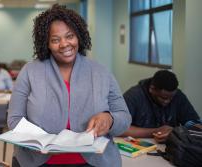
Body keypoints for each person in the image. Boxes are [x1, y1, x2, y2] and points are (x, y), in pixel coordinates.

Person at [7, 4, 131, 167]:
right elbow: (14, 119)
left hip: (94, 162)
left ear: (78, 36)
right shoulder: (30, 71)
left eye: (69, 36)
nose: (64, 44)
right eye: (55, 40)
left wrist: (109, 119)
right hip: (38, 162)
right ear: (47, 43)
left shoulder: (100, 72)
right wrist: (38, 142)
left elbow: (124, 116)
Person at [122, 70, 200, 143]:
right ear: (152, 89)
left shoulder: (178, 96)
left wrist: (176, 132)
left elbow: (194, 124)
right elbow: (120, 128)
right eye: (163, 98)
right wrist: (155, 131)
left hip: (171, 148)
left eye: (171, 97)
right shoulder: (133, 96)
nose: (168, 101)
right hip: (137, 146)